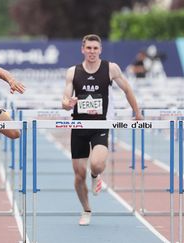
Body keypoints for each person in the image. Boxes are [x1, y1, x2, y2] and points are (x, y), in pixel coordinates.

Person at [61, 34, 143, 226]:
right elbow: (64, 100)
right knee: (79, 175)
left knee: (96, 164)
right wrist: (68, 103)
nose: (92, 51)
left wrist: (137, 113)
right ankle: (86, 210)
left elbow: (128, 89)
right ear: (83, 49)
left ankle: (96, 176)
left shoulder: (111, 68)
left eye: (95, 48)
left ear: (100, 50)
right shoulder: (73, 72)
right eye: (88, 48)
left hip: (101, 125)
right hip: (79, 126)